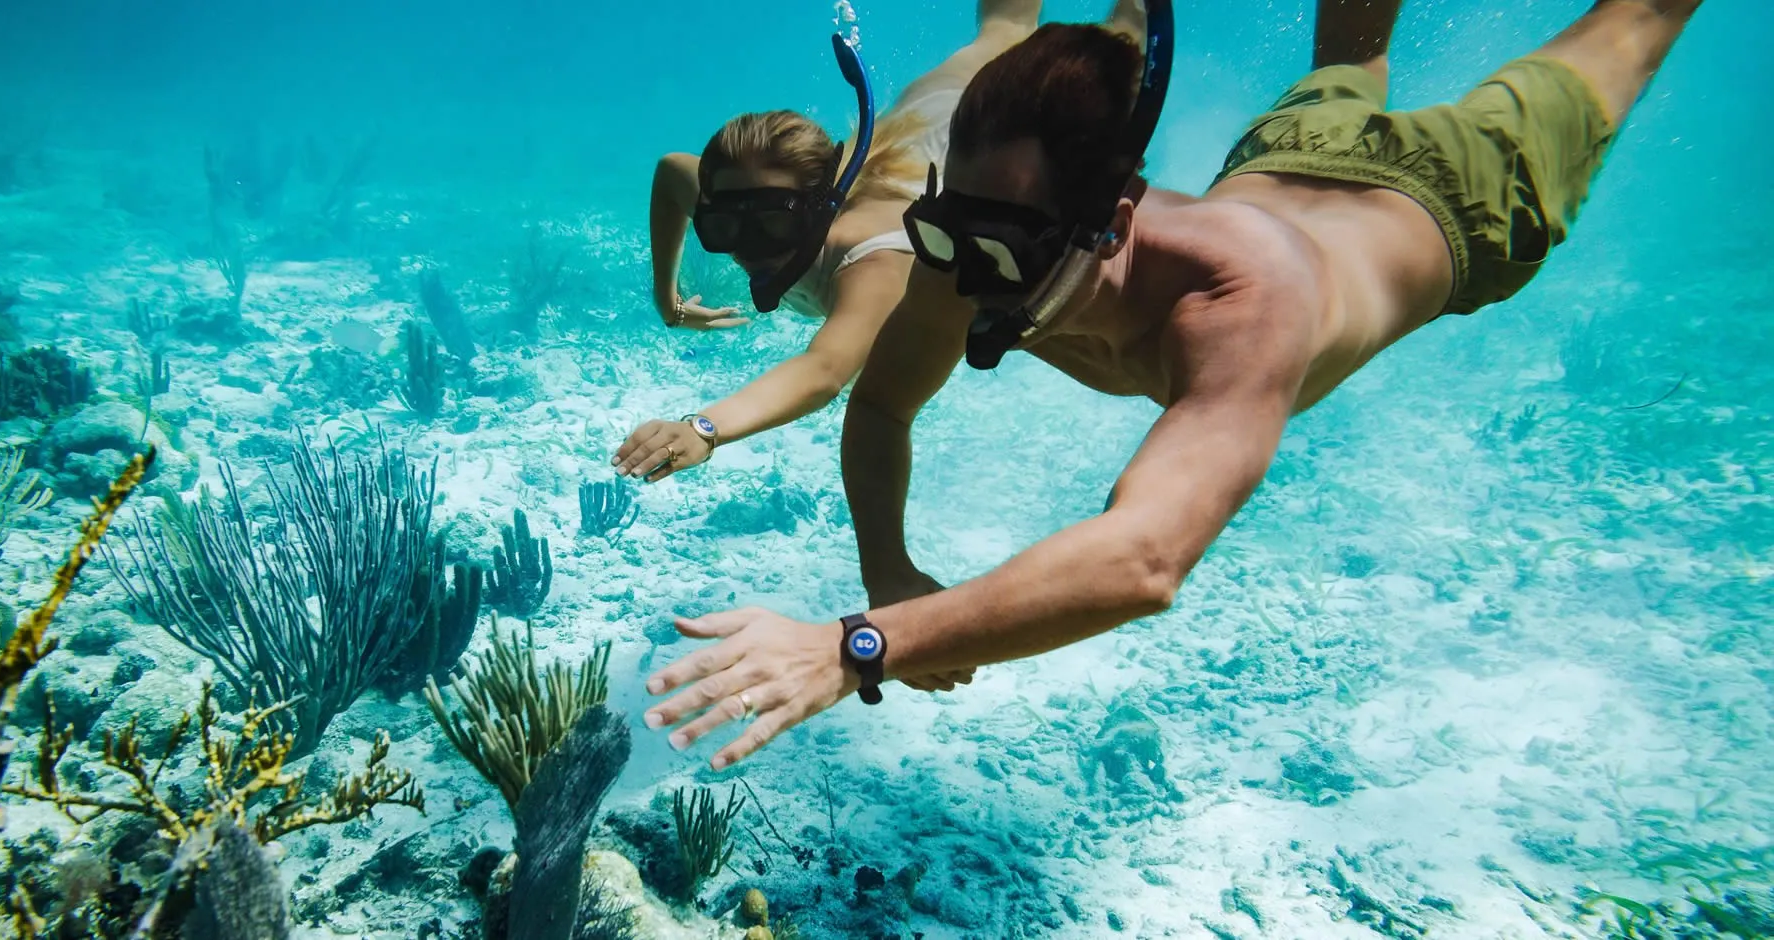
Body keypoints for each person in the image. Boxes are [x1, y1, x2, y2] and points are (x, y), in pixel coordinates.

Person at [640, 0, 1703, 771]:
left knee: (1634, 21)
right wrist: (890, 568)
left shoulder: (1244, 303)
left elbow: (1144, 559)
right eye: (947, 228)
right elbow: (879, 403)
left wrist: (858, 646)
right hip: (1293, 150)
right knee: (1356, 54)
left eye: (998, 247)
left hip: (1456, 198)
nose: (963, 276)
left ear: (1113, 221)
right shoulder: (976, 242)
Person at [610, 1, 1047, 484]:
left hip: (983, 123)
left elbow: (824, 370)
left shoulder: (873, 260)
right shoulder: (745, 199)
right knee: (1004, 26)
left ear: (822, 205)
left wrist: (705, 428)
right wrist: (667, 301)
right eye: (723, 227)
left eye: (772, 224)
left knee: (1013, 29)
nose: (749, 248)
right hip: (919, 122)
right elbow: (672, 173)